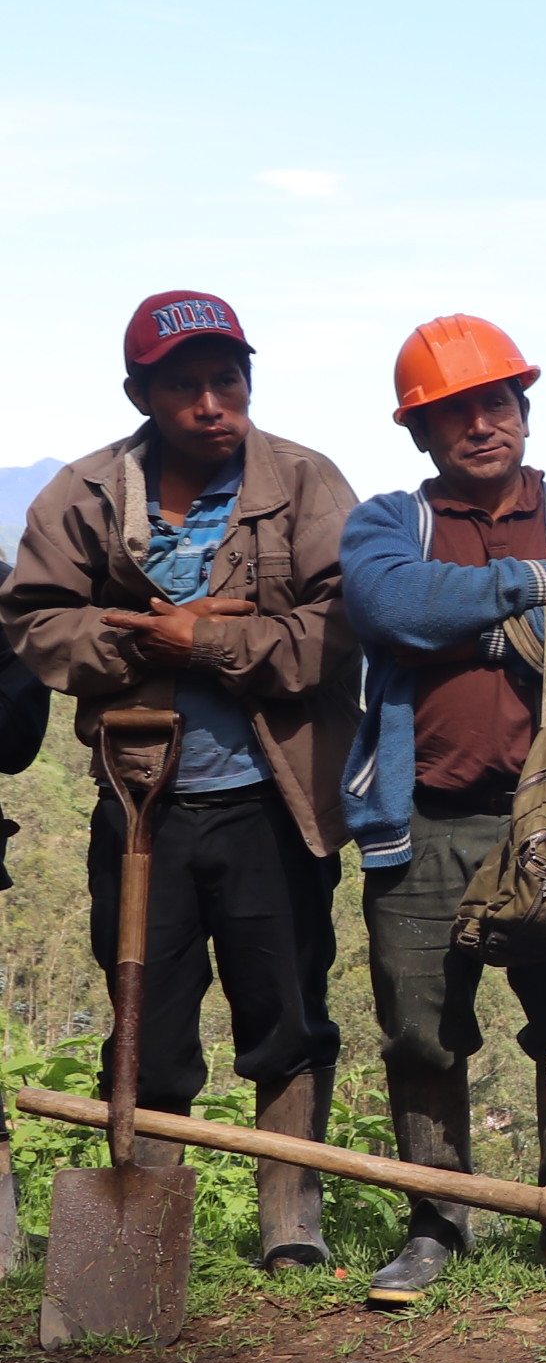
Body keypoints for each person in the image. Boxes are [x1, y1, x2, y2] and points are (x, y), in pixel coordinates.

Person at [0, 294, 359, 1265]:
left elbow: (342, 626)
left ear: (249, 381)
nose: (211, 402)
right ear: (142, 395)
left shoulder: (306, 482)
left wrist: (210, 638)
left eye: (227, 379)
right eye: (183, 384)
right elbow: (34, 619)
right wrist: (140, 645)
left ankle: (293, 1226)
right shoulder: (83, 492)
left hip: (274, 805)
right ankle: (143, 1239)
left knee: (285, 1015)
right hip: (139, 801)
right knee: (146, 1023)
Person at [338, 315, 546, 1304]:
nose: (482, 423)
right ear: (420, 434)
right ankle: (437, 1225)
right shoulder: (389, 522)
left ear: (524, 407)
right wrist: (526, 593)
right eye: (454, 412)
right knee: (423, 1031)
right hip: (424, 819)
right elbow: (388, 607)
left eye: (497, 401)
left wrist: (461, 625)